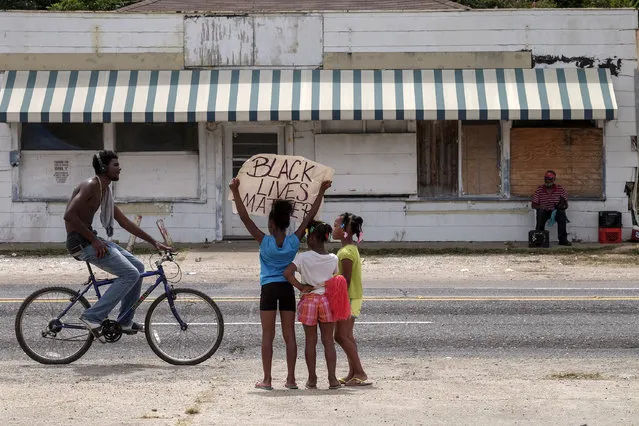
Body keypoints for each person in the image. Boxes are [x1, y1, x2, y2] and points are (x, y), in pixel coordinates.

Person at [228, 178, 332, 391]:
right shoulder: (294, 241)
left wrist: (235, 191)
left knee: (268, 335)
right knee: (289, 335)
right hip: (286, 288)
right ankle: (291, 379)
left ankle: (267, 379)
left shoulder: (263, 240)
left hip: (269, 288)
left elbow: (244, 217)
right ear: (286, 223)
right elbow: (310, 215)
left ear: (272, 223)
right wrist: (321, 190)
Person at [63, 150, 171, 341]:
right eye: (115, 165)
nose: (119, 168)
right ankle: (92, 316)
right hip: (80, 242)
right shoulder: (91, 185)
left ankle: (125, 321)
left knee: (138, 268)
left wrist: (154, 242)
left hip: (90, 239)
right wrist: (95, 241)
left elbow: (125, 223)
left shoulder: (104, 191)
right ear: (104, 168)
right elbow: (69, 215)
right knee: (130, 274)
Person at [283, 221, 342, 390]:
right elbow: (335, 280)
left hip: (309, 299)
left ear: (313, 239)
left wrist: (301, 287)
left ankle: (312, 379)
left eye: (309, 236)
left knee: (311, 341)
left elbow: (287, 273)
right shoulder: (333, 258)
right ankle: (332, 379)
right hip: (326, 300)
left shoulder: (303, 257)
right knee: (328, 341)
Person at [332, 212, 372, 387]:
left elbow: (345, 280)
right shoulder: (350, 249)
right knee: (346, 336)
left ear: (345, 230)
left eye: (335, 225)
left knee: (340, 336)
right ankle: (352, 372)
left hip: (348, 298)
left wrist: (337, 299)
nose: (333, 229)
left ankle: (360, 372)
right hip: (353, 297)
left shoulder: (345, 252)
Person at [531, 170, 571, 246]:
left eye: (550, 179)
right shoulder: (540, 189)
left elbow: (565, 205)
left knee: (562, 214)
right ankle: (540, 238)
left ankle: (563, 240)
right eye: (546, 178)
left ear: (554, 179)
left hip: (555, 211)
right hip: (544, 211)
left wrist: (561, 205)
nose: (547, 181)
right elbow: (533, 205)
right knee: (540, 213)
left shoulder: (560, 189)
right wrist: (541, 207)